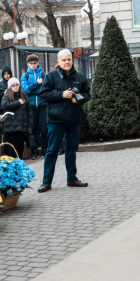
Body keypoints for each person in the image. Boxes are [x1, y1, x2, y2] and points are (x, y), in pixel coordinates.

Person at [37, 49, 90, 193]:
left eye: (69, 60)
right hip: (56, 120)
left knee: (71, 150)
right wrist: (62, 94)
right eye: (64, 60)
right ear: (58, 61)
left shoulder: (79, 77)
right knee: (52, 151)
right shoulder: (51, 76)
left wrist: (79, 99)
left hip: (73, 119)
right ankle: (46, 182)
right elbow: (43, 94)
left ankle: (72, 179)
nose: (67, 62)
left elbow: (87, 93)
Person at [21, 54, 48, 160]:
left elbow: (45, 89)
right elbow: (25, 90)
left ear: (38, 63)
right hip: (31, 106)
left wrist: (31, 88)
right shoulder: (25, 76)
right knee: (32, 130)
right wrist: (37, 84)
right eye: (31, 63)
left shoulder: (44, 74)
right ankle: (34, 150)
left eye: (35, 63)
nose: (33, 65)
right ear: (28, 64)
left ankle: (45, 149)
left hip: (42, 105)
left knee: (44, 129)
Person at [1, 77, 33, 159]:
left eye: (17, 85)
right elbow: (5, 105)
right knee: (11, 148)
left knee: (20, 147)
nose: (15, 87)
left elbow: (29, 111)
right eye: (13, 85)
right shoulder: (7, 95)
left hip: (22, 126)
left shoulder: (24, 96)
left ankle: (19, 163)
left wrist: (30, 124)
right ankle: (12, 165)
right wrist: (18, 103)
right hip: (11, 128)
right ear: (10, 87)